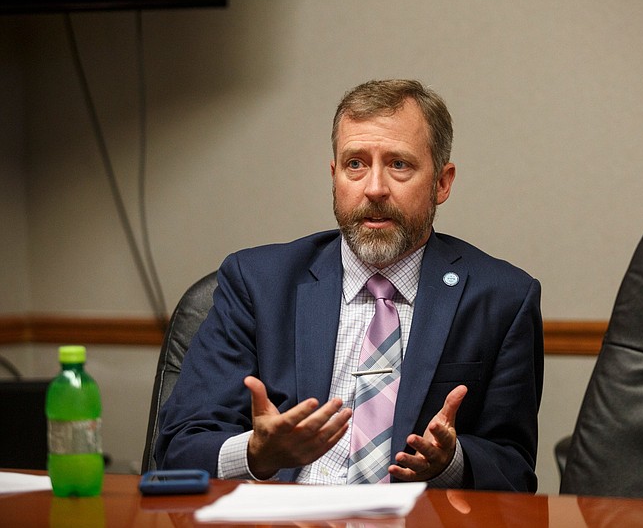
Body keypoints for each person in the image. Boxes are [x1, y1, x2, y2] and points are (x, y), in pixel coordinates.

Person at [156, 79, 544, 492]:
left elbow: (514, 472)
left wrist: (450, 463)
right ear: (334, 175)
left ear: (442, 183)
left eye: (399, 164)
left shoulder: (502, 298)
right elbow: (179, 448)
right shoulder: (258, 283)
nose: (374, 188)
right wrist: (256, 454)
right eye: (355, 164)